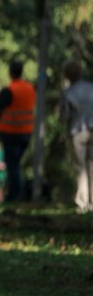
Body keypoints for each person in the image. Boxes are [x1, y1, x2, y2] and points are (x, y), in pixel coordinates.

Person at [0, 60, 36, 202]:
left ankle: (14, 194)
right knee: (16, 164)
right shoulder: (30, 89)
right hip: (26, 133)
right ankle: (16, 193)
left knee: (12, 165)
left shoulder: (9, 91)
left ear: (10, 73)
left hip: (10, 133)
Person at [60, 59, 93, 213]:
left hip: (77, 131)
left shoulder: (68, 93)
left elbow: (64, 116)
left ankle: (82, 202)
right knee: (92, 165)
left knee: (80, 167)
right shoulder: (91, 88)